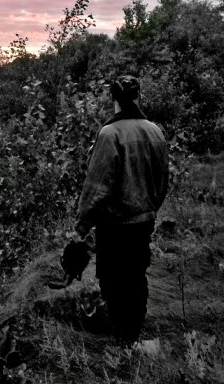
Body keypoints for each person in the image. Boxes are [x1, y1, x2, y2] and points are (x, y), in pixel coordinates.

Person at [74, 75, 170, 344]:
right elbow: (163, 180)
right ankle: (133, 335)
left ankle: (123, 339)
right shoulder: (155, 131)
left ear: (113, 100)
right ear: (138, 97)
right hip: (144, 221)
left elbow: (97, 186)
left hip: (115, 226)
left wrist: (82, 225)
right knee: (137, 276)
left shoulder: (110, 134)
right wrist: (151, 208)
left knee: (113, 282)